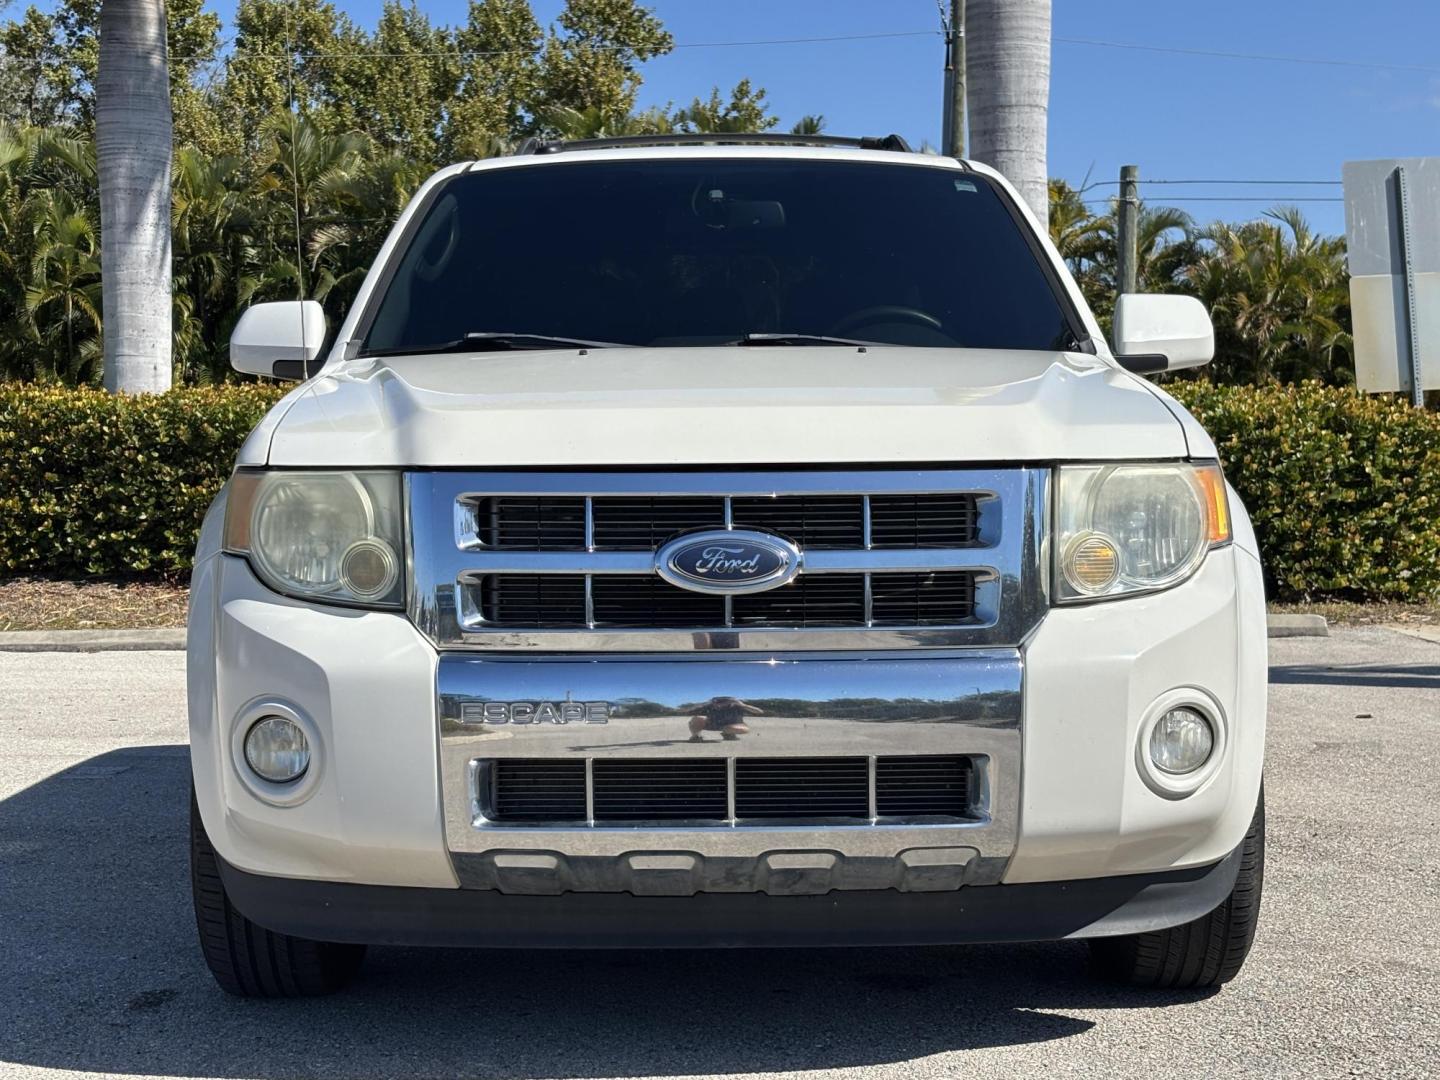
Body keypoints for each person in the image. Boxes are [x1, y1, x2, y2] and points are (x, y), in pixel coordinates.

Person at [687, 696, 764, 742]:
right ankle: (696, 736)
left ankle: (728, 734)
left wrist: (743, 705)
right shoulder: (710, 706)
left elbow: (759, 711)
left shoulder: (737, 706)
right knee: (697, 718)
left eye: (726, 701)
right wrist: (705, 704)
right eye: (719, 701)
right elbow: (690, 710)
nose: (722, 704)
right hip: (712, 724)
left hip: (731, 726)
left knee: (743, 729)